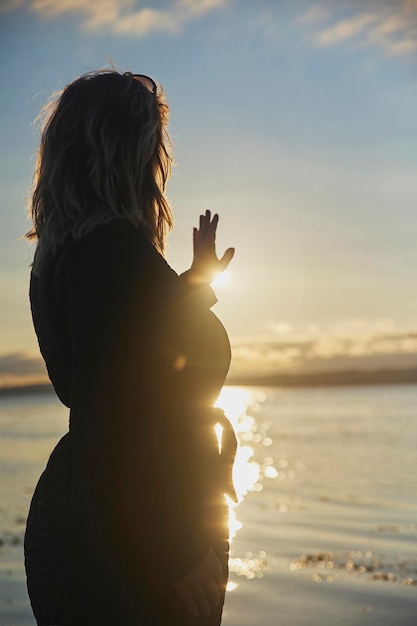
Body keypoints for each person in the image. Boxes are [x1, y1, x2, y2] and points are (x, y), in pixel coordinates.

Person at [24, 70, 237, 625]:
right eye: (152, 146)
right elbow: (113, 427)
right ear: (125, 151)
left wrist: (186, 285)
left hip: (101, 523)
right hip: (145, 538)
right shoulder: (113, 256)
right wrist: (177, 554)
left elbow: (123, 362)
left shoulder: (63, 258)